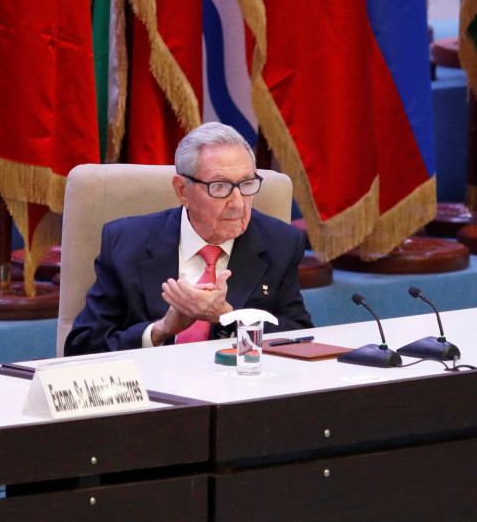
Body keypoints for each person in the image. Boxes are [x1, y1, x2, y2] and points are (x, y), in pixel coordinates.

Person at [65, 123, 312, 355]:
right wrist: (161, 330)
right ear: (183, 191)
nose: (238, 203)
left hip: (239, 389)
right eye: (220, 186)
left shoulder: (281, 243)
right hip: (154, 390)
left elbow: (300, 338)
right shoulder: (126, 244)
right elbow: (81, 347)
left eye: (247, 184)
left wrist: (228, 317)